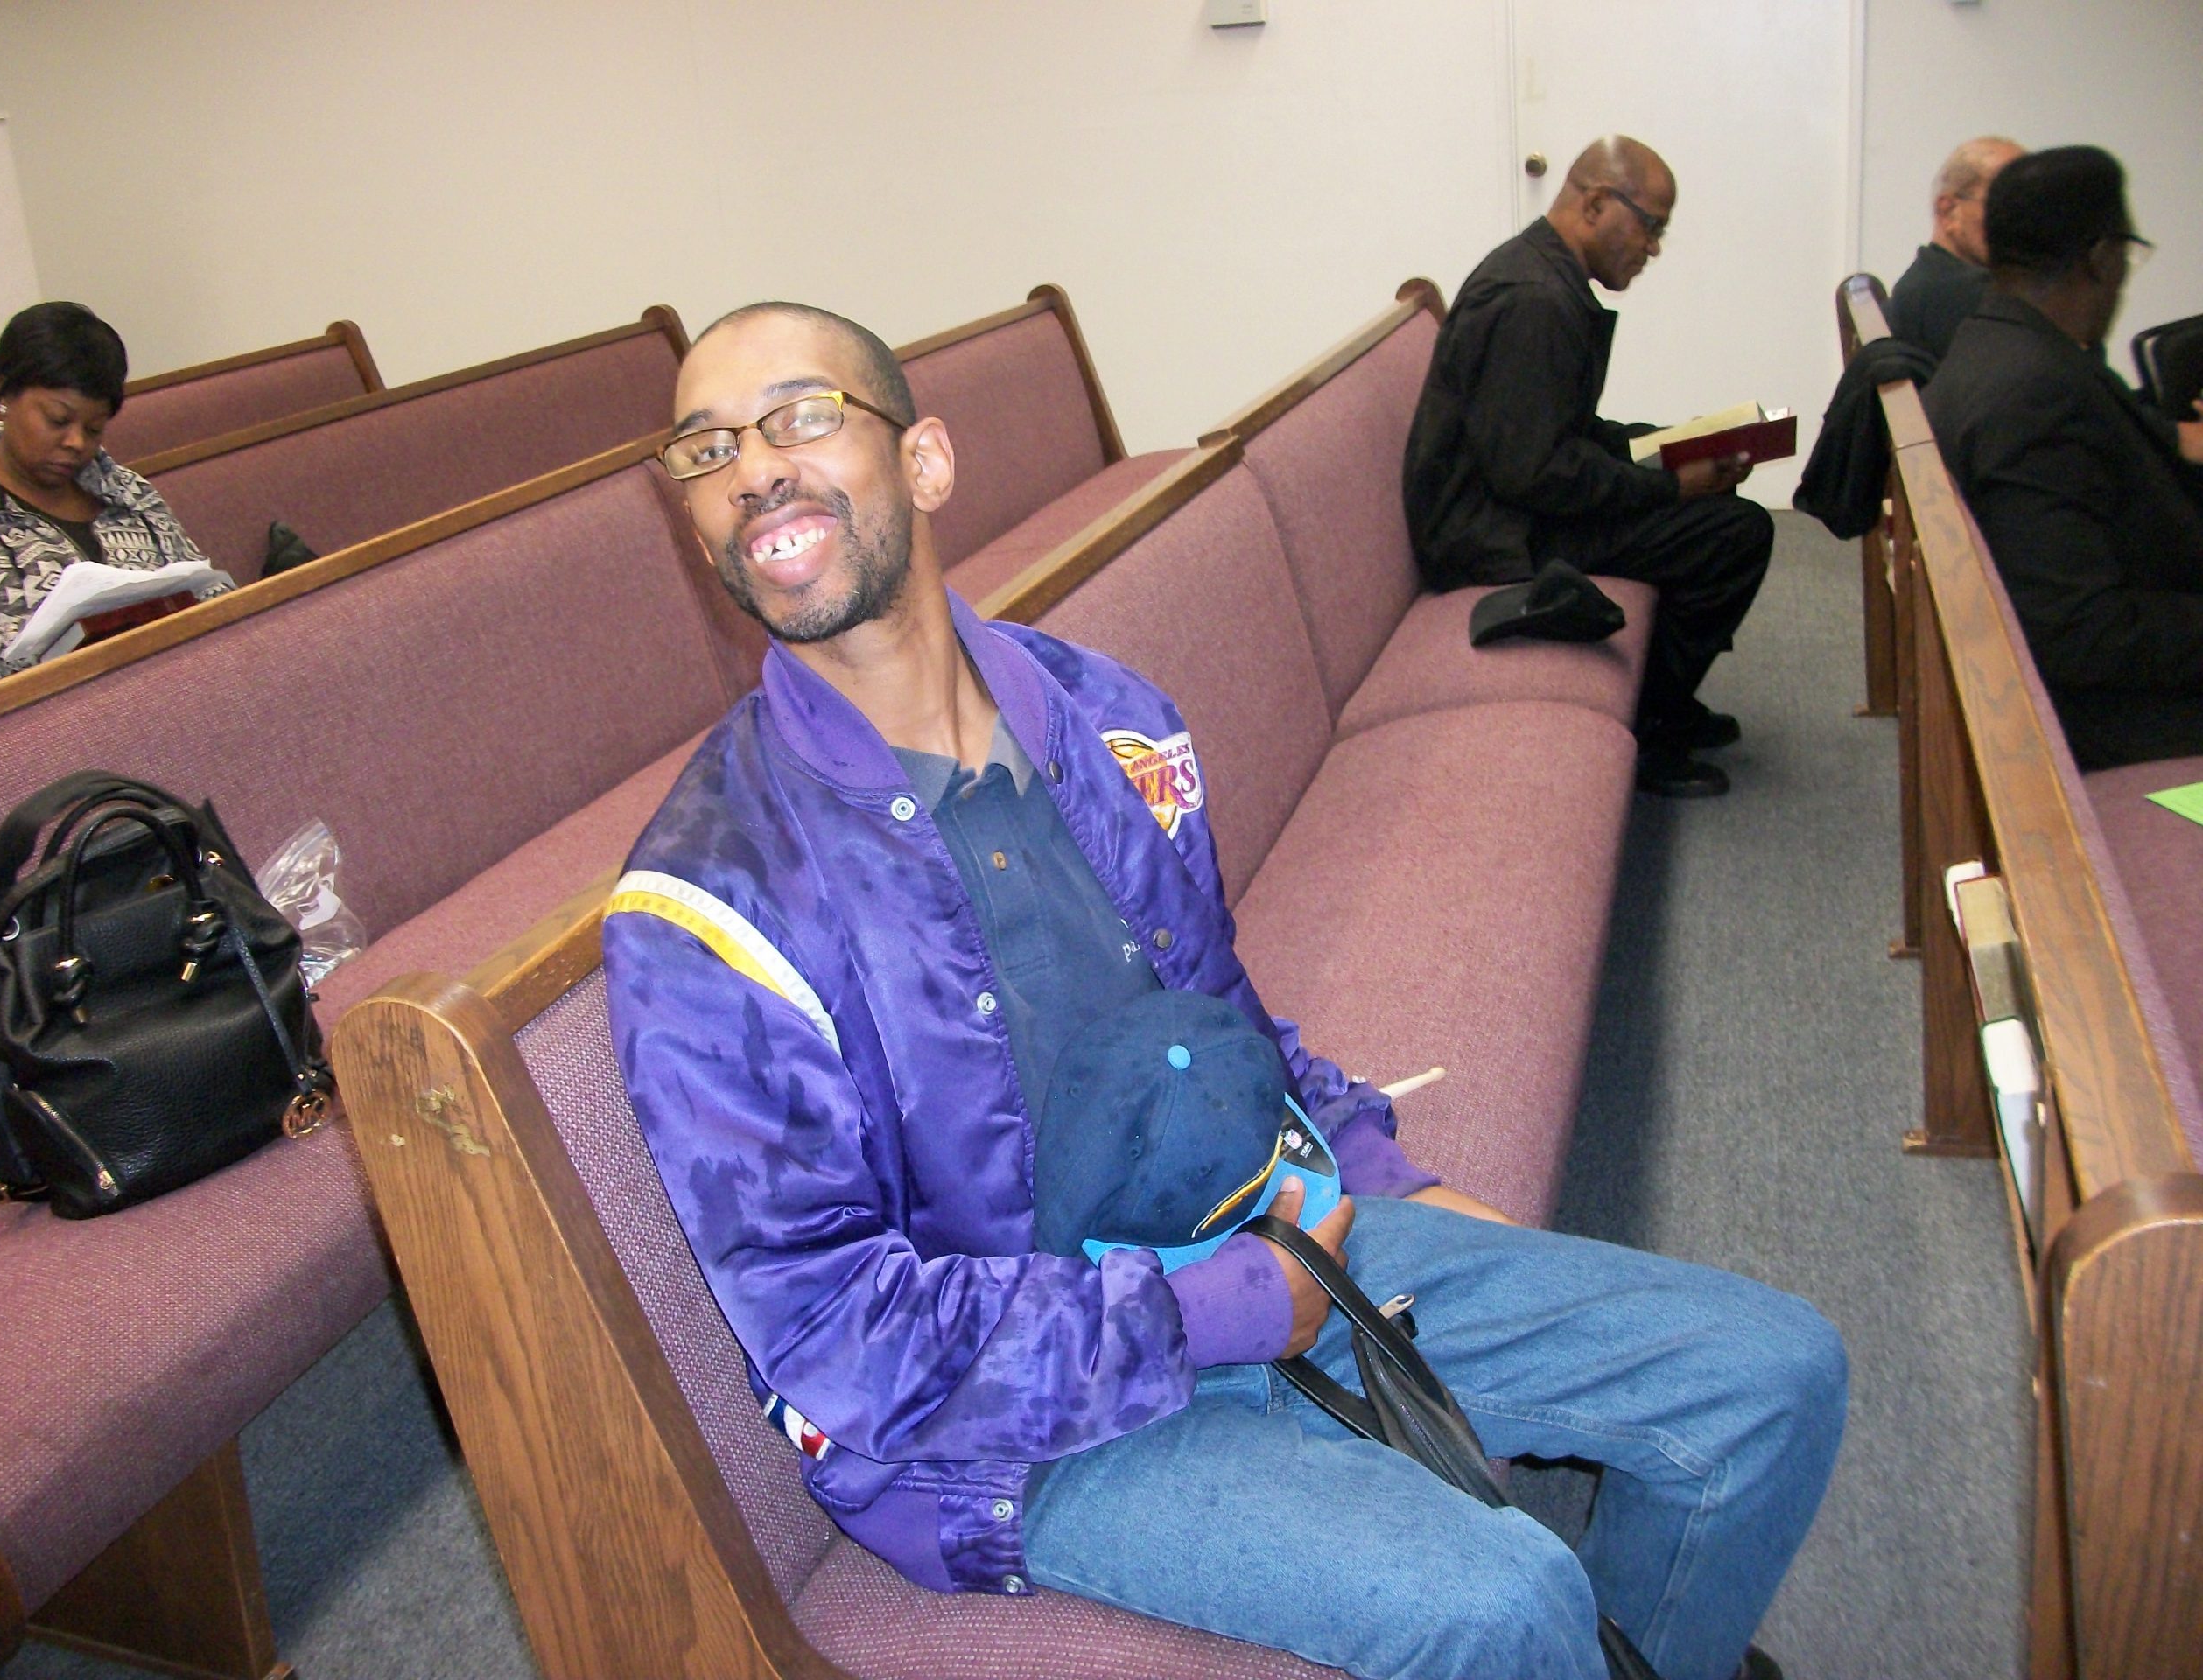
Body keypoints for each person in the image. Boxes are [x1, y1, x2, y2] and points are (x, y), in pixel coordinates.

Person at [606, 299, 1846, 1680]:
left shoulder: (1110, 719)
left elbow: (1215, 1019)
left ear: (927, 460)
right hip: (1006, 1428)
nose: (752, 469)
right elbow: (838, 1335)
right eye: (707, 449)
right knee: (1504, 1603)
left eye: (801, 416)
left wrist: (1375, 1165)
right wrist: (1222, 1313)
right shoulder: (710, 904)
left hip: (1253, 1223)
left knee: (1765, 1378)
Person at [1402, 137, 1774, 799]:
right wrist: (1671, 483)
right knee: (1734, 534)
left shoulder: (1544, 277)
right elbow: (1536, 472)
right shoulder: (1536, 300)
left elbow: (1560, 433)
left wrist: (1670, 446)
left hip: (1508, 510)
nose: (1653, 248)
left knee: (1711, 512)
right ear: (1597, 204)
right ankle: (1651, 730)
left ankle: (1663, 705)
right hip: (1491, 538)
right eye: (1651, 226)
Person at [1924, 145, 2203, 772]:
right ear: (2101, 258)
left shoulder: (1990, 344)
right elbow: (2083, 632)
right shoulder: (2039, 396)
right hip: (2118, 722)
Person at [0, 302, 226, 691]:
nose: (75, 442)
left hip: (171, 691)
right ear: (5, 389)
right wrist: (36, 651)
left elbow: (213, 595)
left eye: (93, 429)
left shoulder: (128, 494)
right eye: (57, 420)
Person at [1886, 137, 2025, 361]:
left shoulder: (1917, 286)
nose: (2022, 221)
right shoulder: (1976, 297)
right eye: (2006, 204)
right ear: (1948, 211)